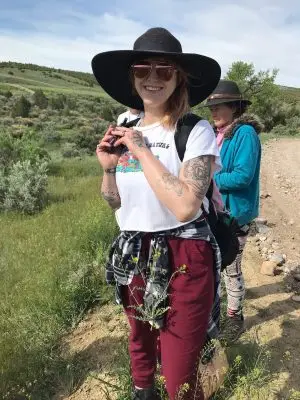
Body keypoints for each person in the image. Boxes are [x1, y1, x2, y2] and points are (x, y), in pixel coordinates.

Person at [92, 27, 222, 400]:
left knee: (180, 370)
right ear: (132, 77)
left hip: (184, 254)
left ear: (178, 78)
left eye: (164, 70)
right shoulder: (125, 125)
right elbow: (116, 204)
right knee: (140, 344)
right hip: (133, 251)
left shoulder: (193, 130)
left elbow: (185, 205)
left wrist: (142, 151)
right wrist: (107, 169)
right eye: (142, 69)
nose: (152, 78)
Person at [205, 80, 262, 342]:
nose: (214, 112)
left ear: (235, 107)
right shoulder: (220, 134)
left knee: (231, 266)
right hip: (217, 212)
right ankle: (216, 312)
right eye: (212, 107)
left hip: (235, 213)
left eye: (219, 106)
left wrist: (206, 180)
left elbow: (242, 176)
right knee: (215, 264)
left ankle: (235, 316)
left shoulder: (245, 134)